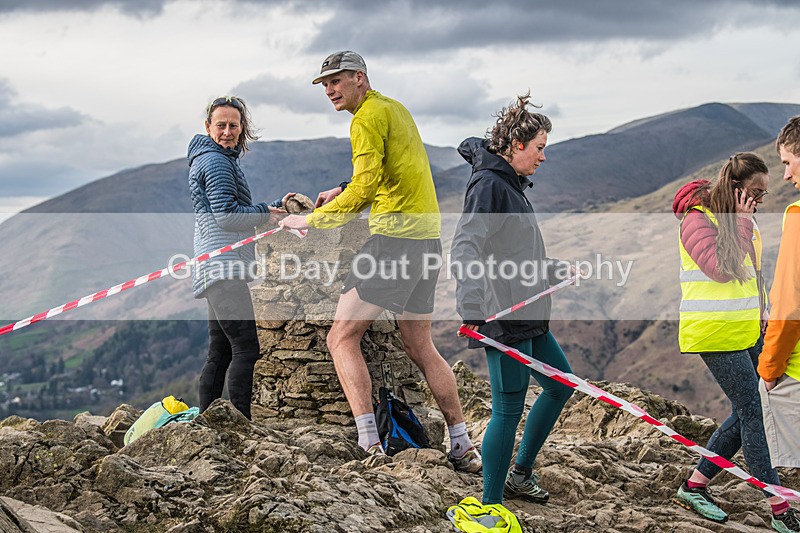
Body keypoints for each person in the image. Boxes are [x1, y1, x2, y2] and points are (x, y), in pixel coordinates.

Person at [279, 51, 481, 471]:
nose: (330, 90)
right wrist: (343, 186)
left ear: (359, 77)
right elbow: (391, 169)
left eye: (336, 80)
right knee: (420, 345)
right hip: (427, 241)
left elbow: (367, 188)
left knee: (341, 338)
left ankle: (369, 443)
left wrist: (311, 220)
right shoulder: (395, 109)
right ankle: (462, 445)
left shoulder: (365, 118)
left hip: (393, 241)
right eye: (325, 84)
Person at [451, 94, 576, 506]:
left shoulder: (510, 184)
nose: (543, 157)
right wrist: (472, 308)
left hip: (529, 311)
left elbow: (511, 253)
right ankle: (491, 506)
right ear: (516, 145)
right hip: (503, 315)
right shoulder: (489, 185)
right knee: (507, 410)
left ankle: (520, 474)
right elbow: (466, 246)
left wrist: (552, 270)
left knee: (559, 385)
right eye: (539, 148)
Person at [672, 152, 799, 532]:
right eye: (755, 194)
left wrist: (763, 310)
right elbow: (721, 270)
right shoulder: (697, 219)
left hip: (746, 328)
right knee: (755, 412)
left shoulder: (745, 219)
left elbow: (753, 273)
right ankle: (779, 509)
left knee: (750, 410)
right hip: (714, 332)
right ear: (736, 188)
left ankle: (694, 486)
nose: (759, 201)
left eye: (762, 196)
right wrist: (742, 222)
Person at [188, 95, 286, 420]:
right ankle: (240, 424)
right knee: (246, 348)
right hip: (224, 267)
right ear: (208, 127)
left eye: (233, 125)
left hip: (212, 268)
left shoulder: (211, 158)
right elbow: (227, 217)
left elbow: (229, 210)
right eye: (221, 125)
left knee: (220, 351)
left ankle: (207, 422)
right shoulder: (216, 162)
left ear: (242, 127)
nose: (227, 132)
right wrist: (264, 212)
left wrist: (269, 209)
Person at [759, 116, 800, 472]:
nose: (786, 175)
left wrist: (770, 369)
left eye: (789, 162)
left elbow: (789, 303)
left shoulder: (798, 217)